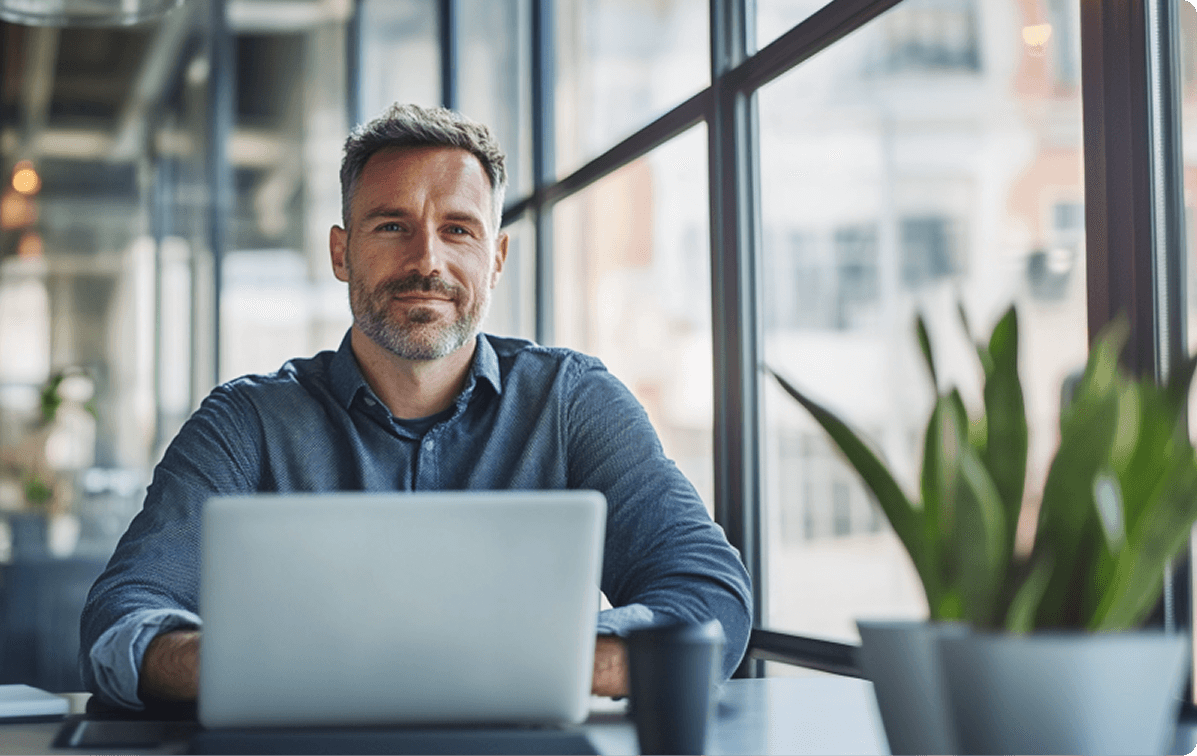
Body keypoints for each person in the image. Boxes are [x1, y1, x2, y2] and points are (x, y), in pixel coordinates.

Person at [79, 103, 754, 710]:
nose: (425, 260)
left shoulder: (574, 403)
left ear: (496, 257)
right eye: (392, 225)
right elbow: (120, 623)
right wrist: (259, 666)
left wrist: (521, 658)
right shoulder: (244, 425)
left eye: (459, 230)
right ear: (342, 253)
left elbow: (710, 601)